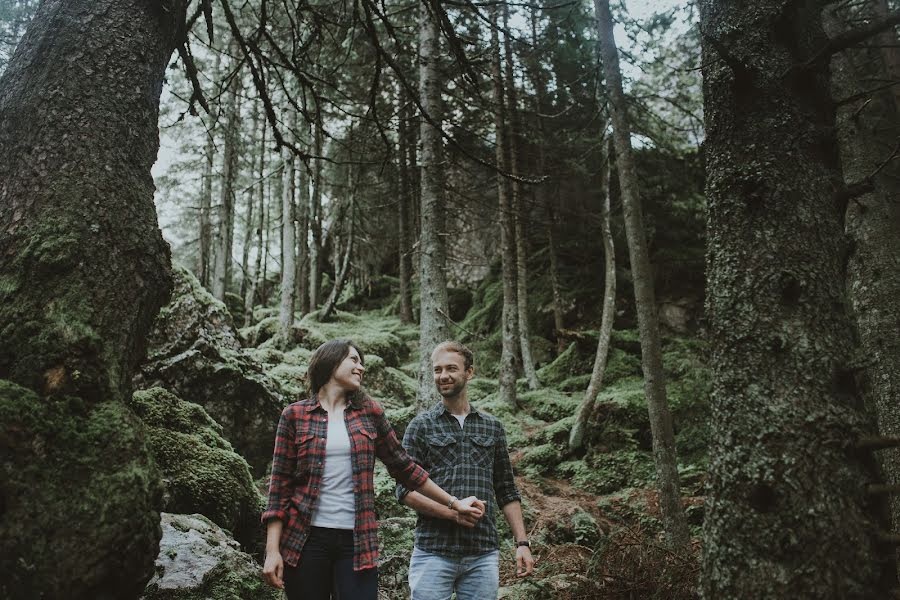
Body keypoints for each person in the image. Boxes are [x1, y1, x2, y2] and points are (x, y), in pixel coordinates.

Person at [261, 338, 485, 600]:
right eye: (353, 360)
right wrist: (273, 550)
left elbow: (405, 468)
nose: (361, 368)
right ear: (331, 361)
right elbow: (279, 489)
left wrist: (453, 503)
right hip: (305, 541)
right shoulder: (294, 415)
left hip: (357, 543)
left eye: (362, 362)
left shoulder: (369, 413)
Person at [397, 340, 535, 600]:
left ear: (469, 372)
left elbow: (506, 489)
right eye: (438, 370)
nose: (444, 376)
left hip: (482, 553)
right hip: (433, 550)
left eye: (451, 368)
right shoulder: (421, 426)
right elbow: (404, 491)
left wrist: (522, 543)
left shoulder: (492, 427)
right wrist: (452, 513)